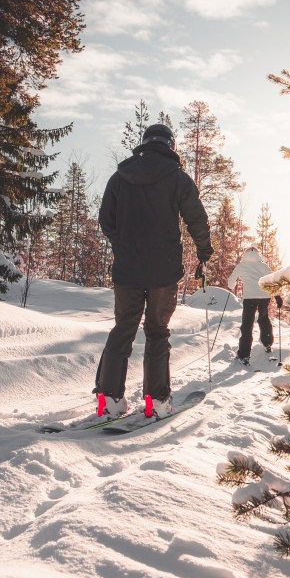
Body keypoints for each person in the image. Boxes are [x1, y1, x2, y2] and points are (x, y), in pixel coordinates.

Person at [95, 122, 213, 419]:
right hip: (163, 272)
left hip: (127, 270)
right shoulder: (177, 178)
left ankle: (108, 399)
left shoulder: (120, 177)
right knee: (157, 332)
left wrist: (122, 244)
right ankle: (156, 401)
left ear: (145, 143)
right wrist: (204, 251)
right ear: (170, 146)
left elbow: (105, 219)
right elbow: (196, 218)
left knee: (124, 328)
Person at [227, 246, 275, 365]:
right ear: (258, 254)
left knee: (247, 324)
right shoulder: (263, 265)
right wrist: (277, 295)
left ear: (245, 253)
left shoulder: (242, 265)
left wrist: (232, 285)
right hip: (265, 296)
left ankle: (244, 355)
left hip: (250, 297)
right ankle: (267, 343)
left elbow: (230, 282)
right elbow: (273, 280)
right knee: (263, 318)